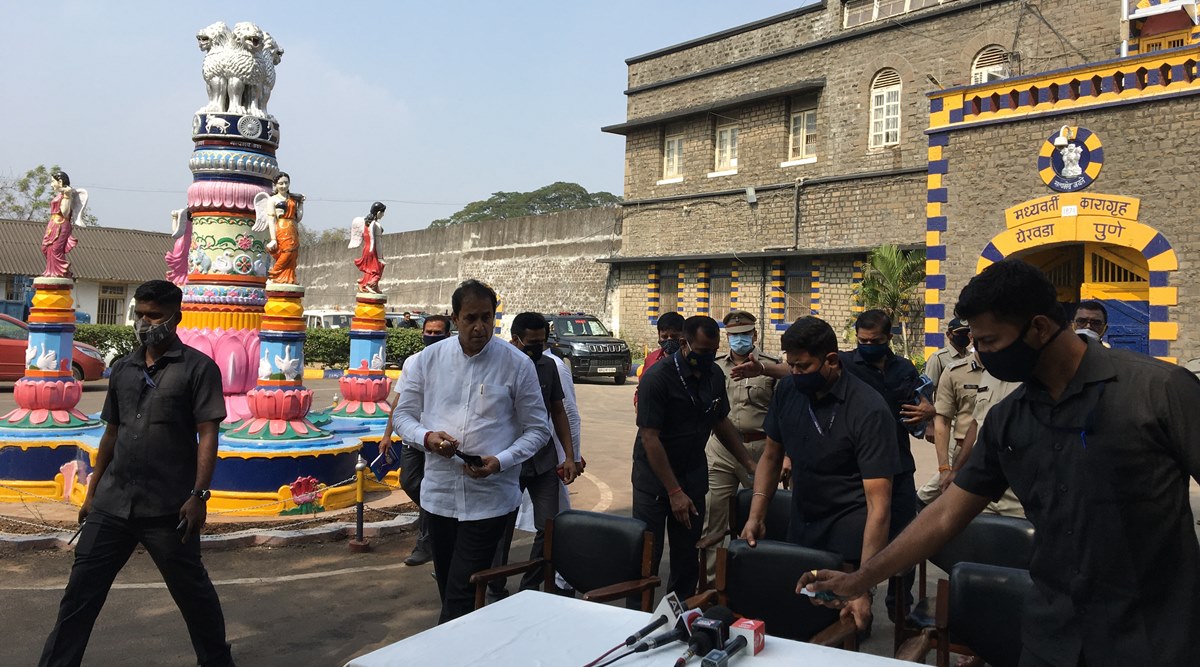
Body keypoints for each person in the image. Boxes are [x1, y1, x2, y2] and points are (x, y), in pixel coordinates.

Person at [800, 259, 1200, 666]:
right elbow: (944, 516)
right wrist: (860, 579)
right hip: (1053, 638)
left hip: (1153, 639)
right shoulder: (1009, 419)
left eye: (989, 342)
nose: (982, 354)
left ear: (1040, 328)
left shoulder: (1159, 392)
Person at [39, 280, 234, 667]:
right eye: (140, 314)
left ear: (176, 317)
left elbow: (208, 434)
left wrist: (198, 495)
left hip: (169, 508)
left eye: (154, 316)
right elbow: (111, 432)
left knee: (193, 594)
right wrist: (92, 491)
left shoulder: (198, 369)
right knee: (79, 595)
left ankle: (217, 662)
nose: (145, 323)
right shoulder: (124, 368)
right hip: (112, 504)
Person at [392, 280, 550, 623]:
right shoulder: (428, 360)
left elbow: (539, 429)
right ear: (455, 318)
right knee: (450, 585)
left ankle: (445, 651)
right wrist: (428, 437)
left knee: (462, 592)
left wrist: (501, 461)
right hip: (439, 496)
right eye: (470, 319)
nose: (480, 327)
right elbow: (402, 416)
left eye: (487, 318)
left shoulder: (516, 364)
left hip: (490, 498)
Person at [740, 316, 900, 632]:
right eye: (792, 366)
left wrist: (862, 584)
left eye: (803, 367)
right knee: (794, 622)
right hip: (802, 527)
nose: (795, 374)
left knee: (841, 629)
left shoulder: (868, 409)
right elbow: (771, 457)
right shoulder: (788, 392)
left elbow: (879, 505)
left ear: (831, 360)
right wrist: (757, 515)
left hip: (849, 539)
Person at [633, 315, 757, 599]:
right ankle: (638, 615)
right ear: (683, 344)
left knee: (687, 557)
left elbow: (720, 421)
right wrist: (673, 491)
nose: (708, 357)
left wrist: (749, 463)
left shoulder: (714, 375)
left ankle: (681, 619)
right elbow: (649, 438)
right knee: (647, 560)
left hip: (692, 476)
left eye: (713, 351)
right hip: (655, 480)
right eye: (702, 352)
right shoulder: (657, 378)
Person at [490, 312, 579, 597]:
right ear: (515, 340)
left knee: (549, 526)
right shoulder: (497, 367)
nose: (538, 347)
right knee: (500, 526)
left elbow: (559, 411)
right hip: (507, 460)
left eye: (542, 341)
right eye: (531, 342)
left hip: (542, 461)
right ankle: (494, 583)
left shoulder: (548, 367)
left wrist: (569, 455)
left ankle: (530, 584)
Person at [698, 310, 780, 577]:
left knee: (759, 518)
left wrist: (786, 456)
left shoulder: (772, 366)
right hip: (721, 450)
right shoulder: (714, 366)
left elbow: (783, 415)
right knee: (712, 517)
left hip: (760, 450)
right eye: (734, 335)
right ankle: (710, 584)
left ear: (754, 335)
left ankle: (755, 580)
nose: (739, 340)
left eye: (744, 335)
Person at [379, 314, 452, 566]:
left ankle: (426, 544)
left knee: (432, 488)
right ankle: (439, 518)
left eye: (437, 333)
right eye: (428, 332)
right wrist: (388, 434)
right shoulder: (413, 362)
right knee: (410, 482)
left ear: (448, 334)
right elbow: (399, 401)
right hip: (414, 436)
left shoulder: (454, 361)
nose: (431, 337)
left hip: (440, 439)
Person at [942, 363, 1024, 518]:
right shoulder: (989, 374)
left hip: (1017, 491)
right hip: (981, 484)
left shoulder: (1035, 375)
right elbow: (976, 423)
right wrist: (956, 471)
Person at [917, 327, 983, 507]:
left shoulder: (1004, 373)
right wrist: (929, 424)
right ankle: (921, 502)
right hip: (957, 435)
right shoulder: (942, 361)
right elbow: (926, 392)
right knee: (952, 475)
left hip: (986, 444)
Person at [634, 311, 684, 406]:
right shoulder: (651, 359)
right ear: (659, 336)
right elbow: (641, 388)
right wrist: (638, 402)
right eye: (664, 337)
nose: (669, 340)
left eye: (674, 337)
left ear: (683, 336)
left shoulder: (689, 360)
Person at [263, 172, 303, 285]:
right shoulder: (272, 200)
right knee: (287, 252)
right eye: (281, 184)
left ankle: (289, 278)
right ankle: (274, 274)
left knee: (293, 255)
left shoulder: (292, 199)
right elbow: (271, 220)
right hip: (281, 228)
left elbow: (298, 217)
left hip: (292, 228)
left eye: (286, 183)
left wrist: (301, 204)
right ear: (275, 185)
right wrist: (273, 239)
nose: (284, 186)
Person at [41, 171, 81, 278]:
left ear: (60, 182)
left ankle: (59, 271)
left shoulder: (66, 194)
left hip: (61, 224)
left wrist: (67, 196)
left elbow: (65, 212)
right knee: (46, 248)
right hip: (53, 223)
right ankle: (51, 271)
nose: (51, 184)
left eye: (52, 181)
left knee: (56, 249)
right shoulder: (59, 195)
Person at [924, 317, 971, 399]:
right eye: (959, 332)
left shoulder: (972, 357)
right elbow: (928, 390)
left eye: (966, 332)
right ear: (949, 335)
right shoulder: (938, 358)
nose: (964, 335)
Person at [350, 202, 387, 294]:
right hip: (373, 249)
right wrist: (380, 257)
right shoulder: (376, 225)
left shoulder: (365, 223)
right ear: (378, 213)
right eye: (382, 213)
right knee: (378, 268)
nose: (383, 215)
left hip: (366, 248)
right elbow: (377, 242)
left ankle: (365, 284)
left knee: (369, 270)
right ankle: (370, 285)